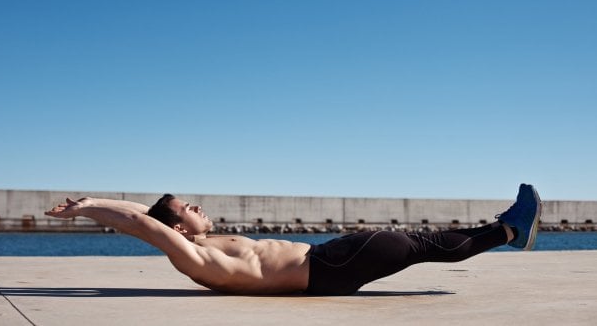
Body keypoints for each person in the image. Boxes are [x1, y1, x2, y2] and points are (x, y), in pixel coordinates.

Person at [45, 183, 541, 295]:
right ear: (178, 229)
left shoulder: (202, 242)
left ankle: (507, 231)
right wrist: (89, 210)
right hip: (325, 270)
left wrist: (91, 197)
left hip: (327, 265)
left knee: (420, 245)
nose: (197, 208)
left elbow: (143, 213)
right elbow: (144, 224)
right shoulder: (192, 255)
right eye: (187, 210)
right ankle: (509, 229)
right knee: (411, 242)